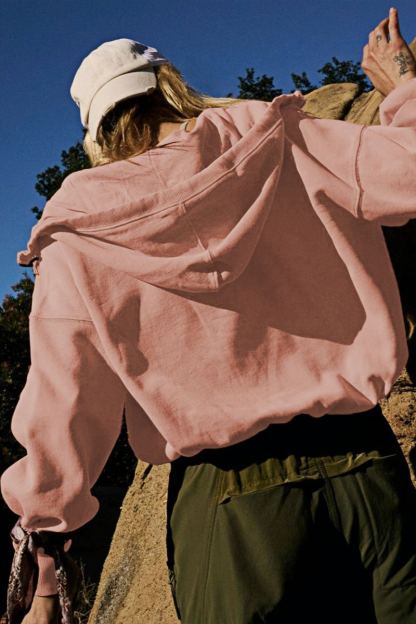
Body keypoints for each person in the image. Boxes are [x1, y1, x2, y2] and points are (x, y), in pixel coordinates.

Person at [1, 6, 416, 623]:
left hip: (229, 505)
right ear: (168, 84)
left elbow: (65, 407)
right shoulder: (283, 138)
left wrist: (44, 567)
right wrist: (404, 86)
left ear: (95, 130)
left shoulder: (77, 238)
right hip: (366, 467)